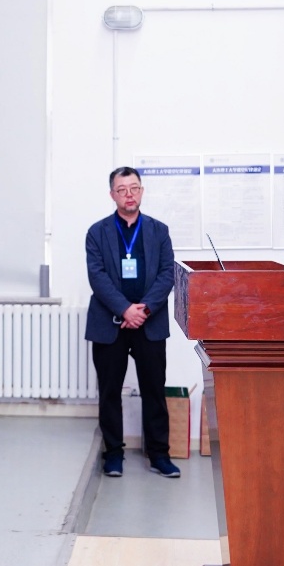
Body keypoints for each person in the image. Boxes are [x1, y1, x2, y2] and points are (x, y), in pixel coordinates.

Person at [84, 167, 179, 478]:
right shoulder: (97, 232)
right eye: (122, 189)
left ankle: (159, 455)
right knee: (110, 392)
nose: (129, 194)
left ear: (142, 191)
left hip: (149, 323)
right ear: (112, 194)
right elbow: (97, 277)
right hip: (109, 323)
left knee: (154, 391)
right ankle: (113, 454)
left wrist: (144, 310)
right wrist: (126, 309)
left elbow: (167, 274)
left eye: (134, 188)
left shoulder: (159, 231)